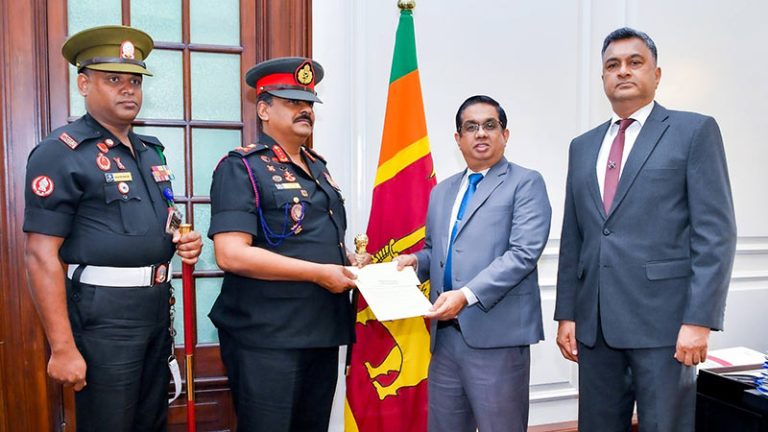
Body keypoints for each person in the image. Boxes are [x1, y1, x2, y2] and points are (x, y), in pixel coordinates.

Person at [554, 27, 737, 431]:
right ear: (603, 78)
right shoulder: (582, 146)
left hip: (666, 327)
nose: (623, 72)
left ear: (656, 74)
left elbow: (715, 234)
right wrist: (567, 312)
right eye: (612, 65)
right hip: (595, 326)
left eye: (635, 63)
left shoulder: (693, 131)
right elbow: (575, 236)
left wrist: (699, 321)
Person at [23, 25, 203, 431]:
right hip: (103, 317)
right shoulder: (61, 152)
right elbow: (40, 254)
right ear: (83, 84)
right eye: (113, 79)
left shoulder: (149, 151)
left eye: (134, 81)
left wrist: (182, 242)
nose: (128, 90)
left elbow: (159, 222)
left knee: (150, 423)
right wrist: (62, 347)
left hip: (156, 309)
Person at [208, 56, 366, 431]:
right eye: (292, 102)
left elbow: (305, 238)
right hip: (268, 335)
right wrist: (318, 273)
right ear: (263, 109)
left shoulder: (318, 166)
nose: (305, 111)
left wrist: (347, 259)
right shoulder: (242, 167)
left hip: (321, 328)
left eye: (308, 103)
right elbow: (230, 254)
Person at [397, 95, 551, 432]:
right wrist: (415, 262)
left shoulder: (525, 182)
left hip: (496, 337)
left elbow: (523, 253)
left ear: (505, 134)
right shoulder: (442, 192)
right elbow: (435, 250)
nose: (480, 133)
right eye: (471, 127)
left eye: (489, 125)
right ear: (458, 139)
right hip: (446, 339)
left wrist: (465, 295)